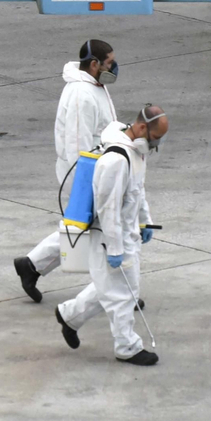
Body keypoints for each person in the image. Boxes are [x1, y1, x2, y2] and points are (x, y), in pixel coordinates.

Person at [55, 104, 169, 366]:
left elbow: (137, 191)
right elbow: (108, 208)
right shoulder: (115, 160)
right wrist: (115, 248)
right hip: (111, 237)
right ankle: (127, 346)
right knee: (122, 295)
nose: (156, 144)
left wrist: (145, 222)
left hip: (127, 233)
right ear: (141, 128)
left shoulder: (136, 152)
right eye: (156, 138)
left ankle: (69, 316)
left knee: (111, 287)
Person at [13, 39, 118, 303]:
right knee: (98, 229)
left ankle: (32, 265)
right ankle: (113, 291)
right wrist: (88, 180)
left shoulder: (94, 86)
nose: (113, 68)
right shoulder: (82, 94)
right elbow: (78, 142)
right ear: (94, 64)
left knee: (86, 227)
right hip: (87, 171)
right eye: (109, 63)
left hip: (97, 168)